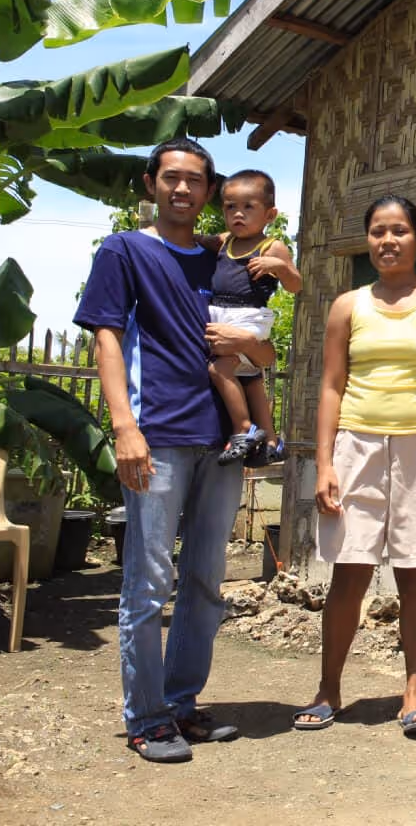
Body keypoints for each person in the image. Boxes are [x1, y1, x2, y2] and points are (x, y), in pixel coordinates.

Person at [75, 137, 276, 764]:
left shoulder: (223, 260)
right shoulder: (125, 250)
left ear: (210, 192)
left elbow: (261, 354)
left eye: (195, 180)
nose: (183, 189)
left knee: (205, 579)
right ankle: (145, 717)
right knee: (149, 579)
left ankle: (182, 704)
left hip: (219, 439)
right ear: (150, 183)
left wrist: (254, 352)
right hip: (156, 433)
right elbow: (107, 338)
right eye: (172, 178)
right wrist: (124, 426)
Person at [291, 195, 416, 738]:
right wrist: (324, 462)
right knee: (350, 573)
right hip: (358, 448)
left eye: (398, 231)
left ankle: (414, 695)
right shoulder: (347, 305)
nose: (387, 241)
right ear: (367, 240)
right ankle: (329, 690)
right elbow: (330, 385)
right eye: (376, 232)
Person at [205, 169, 300, 464]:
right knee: (249, 377)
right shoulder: (225, 241)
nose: (238, 214)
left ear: (270, 214)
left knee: (220, 367)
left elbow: (296, 285)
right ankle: (271, 439)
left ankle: (243, 428)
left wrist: (280, 266)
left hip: (248, 315)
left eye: (248, 207)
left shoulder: (271, 246)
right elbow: (197, 240)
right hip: (222, 311)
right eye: (231, 206)